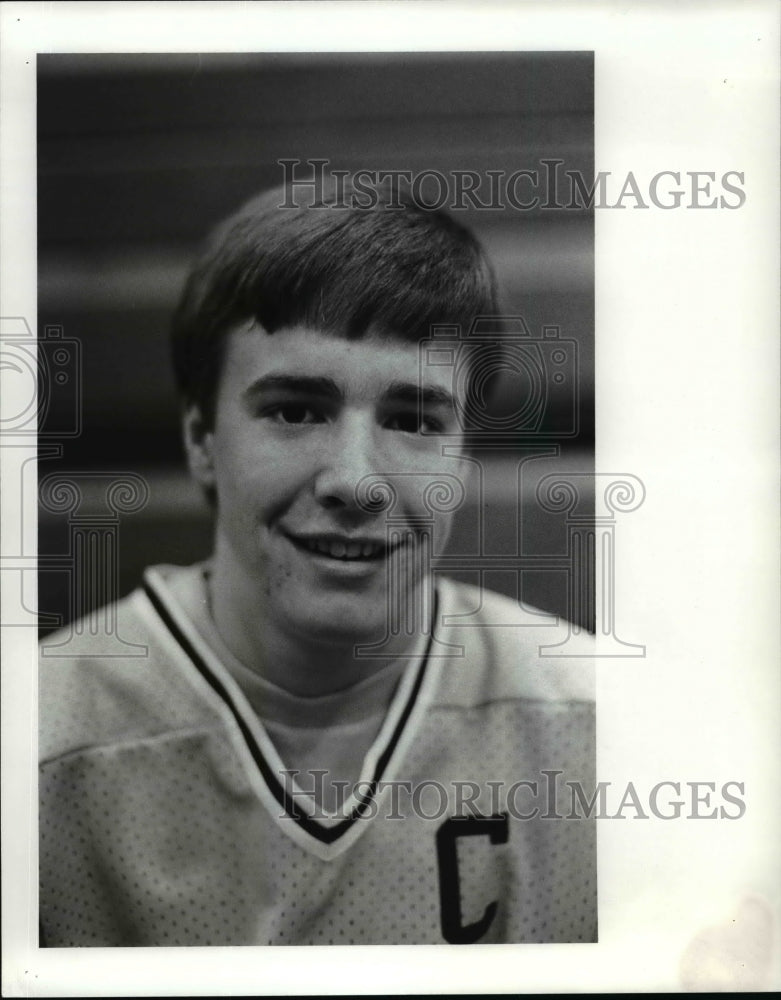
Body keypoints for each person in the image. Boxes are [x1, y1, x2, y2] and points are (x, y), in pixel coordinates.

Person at [39, 181, 596, 946]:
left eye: (412, 420)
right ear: (202, 440)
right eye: (296, 411)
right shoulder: (38, 744)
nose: (356, 481)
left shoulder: (604, 729)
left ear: (461, 458)